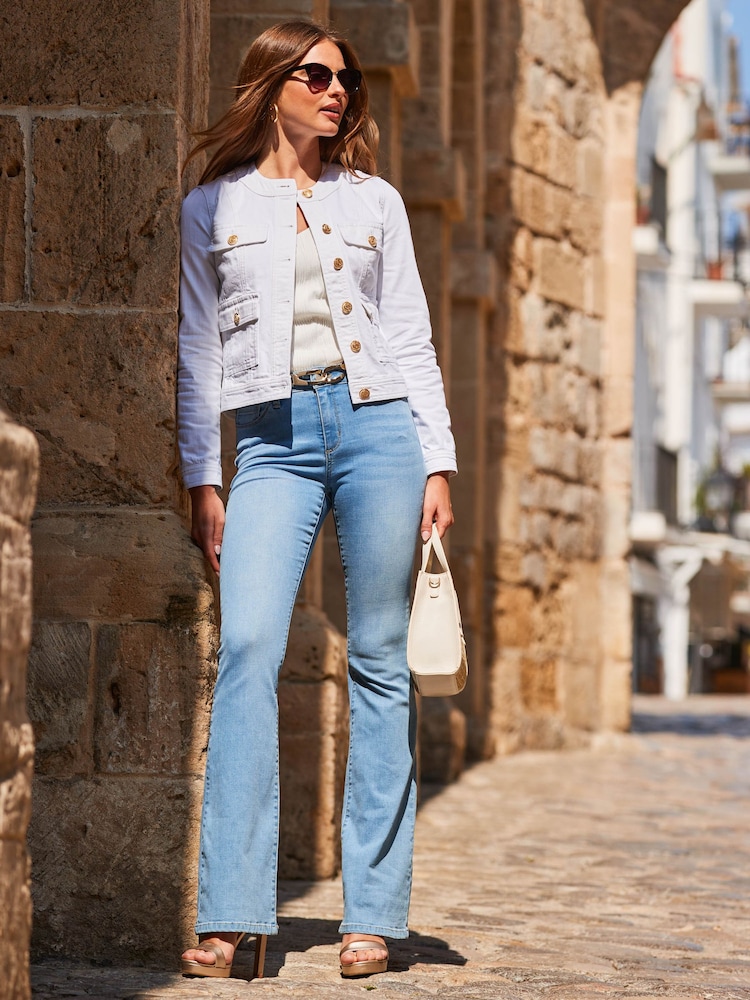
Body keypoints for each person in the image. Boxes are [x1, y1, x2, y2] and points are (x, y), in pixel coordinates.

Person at [177, 19, 456, 981]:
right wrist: (201, 476)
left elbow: (412, 336)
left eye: (345, 78)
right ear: (272, 84)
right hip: (272, 442)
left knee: (381, 661)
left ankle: (373, 916)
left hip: (380, 431)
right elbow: (199, 352)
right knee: (248, 647)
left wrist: (438, 463)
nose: (337, 90)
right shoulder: (211, 206)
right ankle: (234, 913)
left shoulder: (374, 201)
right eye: (317, 75)